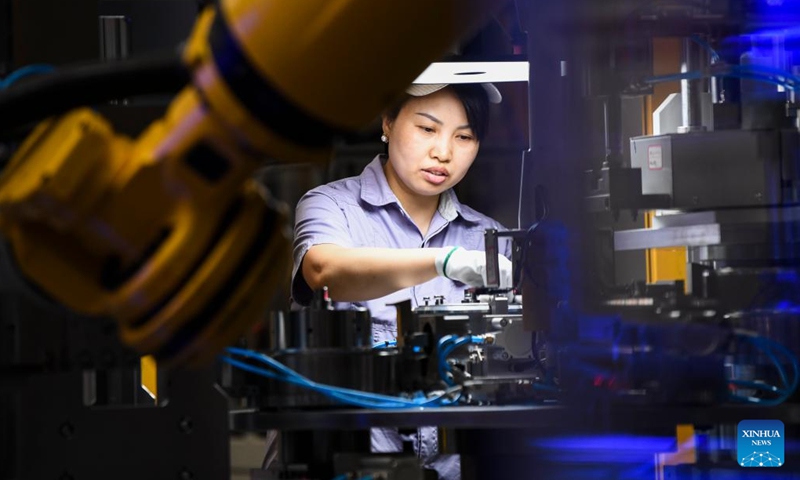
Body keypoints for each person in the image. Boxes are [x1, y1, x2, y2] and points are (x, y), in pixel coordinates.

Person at [290, 81, 513, 479]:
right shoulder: (331, 206)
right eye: (427, 129)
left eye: (464, 137)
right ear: (388, 121)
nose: (443, 152)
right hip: (343, 465)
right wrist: (442, 262)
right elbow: (325, 272)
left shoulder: (488, 238)